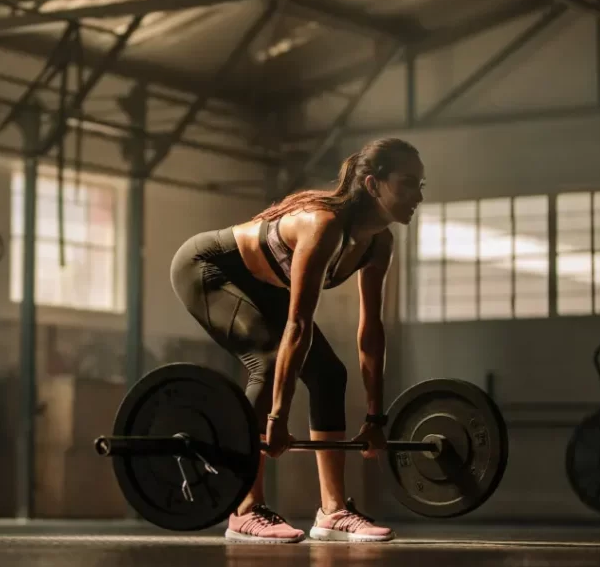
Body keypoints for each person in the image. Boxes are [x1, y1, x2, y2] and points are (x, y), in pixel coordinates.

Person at [169, 138, 424, 543]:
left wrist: (376, 418)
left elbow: (371, 331)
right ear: (374, 185)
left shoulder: (380, 243)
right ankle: (244, 509)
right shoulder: (322, 226)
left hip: (264, 285)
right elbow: (299, 325)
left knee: (329, 375)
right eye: (408, 184)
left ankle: (332, 511)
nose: (418, 197)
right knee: (267, 360)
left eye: (421, 186)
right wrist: (276, 419)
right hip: (208, 270)